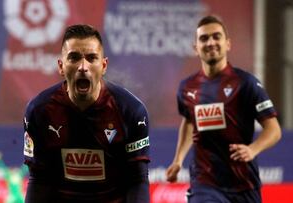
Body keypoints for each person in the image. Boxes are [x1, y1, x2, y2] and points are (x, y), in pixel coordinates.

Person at [23, 24, 150, 203]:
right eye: (74, 58)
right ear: (61, 66)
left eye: (91, 58)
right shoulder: (39, 111)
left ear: (104, 65)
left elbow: (137, 180)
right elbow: (39, 180)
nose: (83, 67)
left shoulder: (131, 111)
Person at [165, 15, 281, 203]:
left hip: (244, 184)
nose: (210, 42)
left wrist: (252, 149)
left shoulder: (246, 83)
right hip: (205, 182)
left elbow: (273, 129)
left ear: (228, 44)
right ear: (196, 48)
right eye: (204, 38)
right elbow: (188, 122)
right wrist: (178, 160)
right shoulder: (187, 88)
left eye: (216, 36)